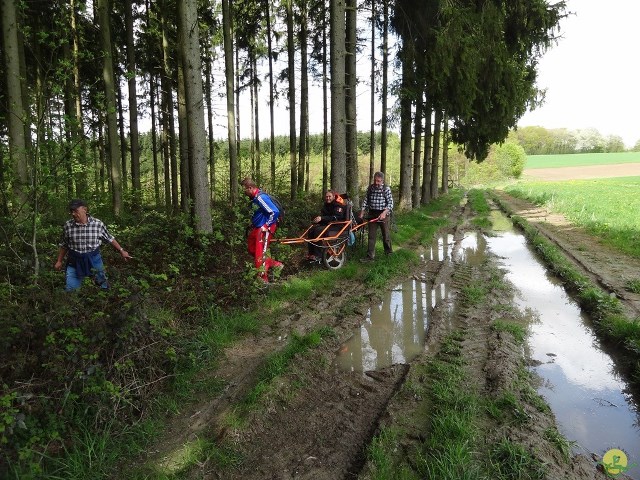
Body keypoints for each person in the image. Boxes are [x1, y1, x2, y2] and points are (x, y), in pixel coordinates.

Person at [54, 199, 132, 291]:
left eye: (75, 211)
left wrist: (121, 250)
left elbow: (109, 238)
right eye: (71, 211)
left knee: (103, 286)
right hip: (75, 261)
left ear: (85, 210)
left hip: (94, 259)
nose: (73, 214)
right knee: (71, 290)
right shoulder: (68, 225)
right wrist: (59, 261)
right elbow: (64, 244)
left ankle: (104, 300)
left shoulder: (97, 224)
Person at [240, 177, 284, 283]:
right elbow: (261, 213)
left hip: (265, 227)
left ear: (250, 188)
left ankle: (263, 279)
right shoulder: (255, 198)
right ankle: (275, 264)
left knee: (260, 252)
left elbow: (274, 212)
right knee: (252, 248)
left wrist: (266, 225)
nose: (244, 193)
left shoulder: (260, 198)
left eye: (244, 190)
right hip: (258, 227)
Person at [359, 171, 393, 262]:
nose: (376, 183)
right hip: (372, 214)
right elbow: (366, 200)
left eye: (378, 181)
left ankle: (389, 253)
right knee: (371, 236)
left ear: (382, 181)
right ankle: (370, 257)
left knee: (386, 235)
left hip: (383, 214)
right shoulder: (370, 188)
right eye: (375, 181)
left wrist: (384, 213)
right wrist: (362, 211)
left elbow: (390, 203)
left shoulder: (386, 189)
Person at [307, 190, 348, 263]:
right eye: (326, 196)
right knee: (311, 230)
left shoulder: (338, 205)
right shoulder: (326, 205)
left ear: (333, 197)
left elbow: (336, 217)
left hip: (338, 226)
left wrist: (322, 218)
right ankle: (311, 254)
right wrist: (318, 219)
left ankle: (318, 255)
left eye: (329, 196)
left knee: (318, 231)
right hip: (328, 225)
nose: (328, 198)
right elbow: (325, 217)